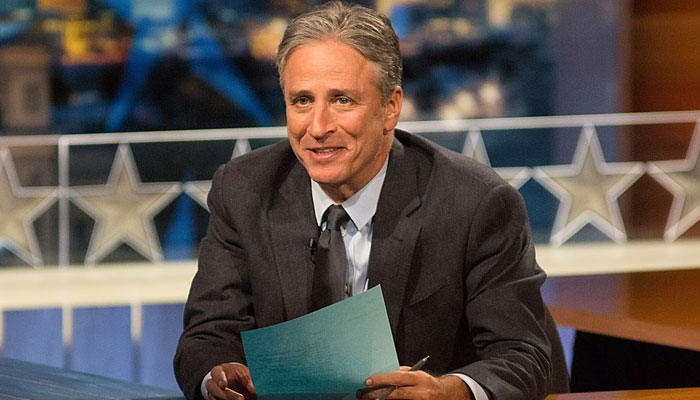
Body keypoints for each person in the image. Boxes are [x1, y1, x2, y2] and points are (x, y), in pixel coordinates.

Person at [174, 2, 553, 399]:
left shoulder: (475, 203)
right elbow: (207, 335)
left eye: (342, 100)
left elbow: (522, 355)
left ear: (390, 107)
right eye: (302, 101)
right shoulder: (244, 189)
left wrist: (450, 392)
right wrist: (218, 376)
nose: (318, 127)